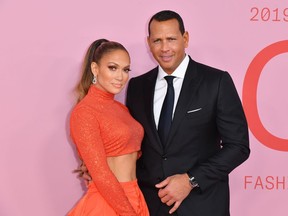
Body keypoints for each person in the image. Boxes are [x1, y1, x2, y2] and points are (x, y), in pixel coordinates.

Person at [125, 10, 250, 216]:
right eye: (157, 40)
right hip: (150, 207)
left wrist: (190, 180)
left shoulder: (216, 82)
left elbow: (238, 146)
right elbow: (133, 144)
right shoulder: (137, 87)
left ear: (185, 38)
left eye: (171, 39)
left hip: (202, 205)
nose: (164, 48)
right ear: (148, 42)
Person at [68, 39, 149, 216]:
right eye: (113, 68)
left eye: (125, 69)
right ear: (95, 69)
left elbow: (128, 152)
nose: (121, 77)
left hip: (135, 196)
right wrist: (128, 213)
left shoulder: (121, 109)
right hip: (108, 203)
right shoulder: (84, 112)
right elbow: (102, 175)